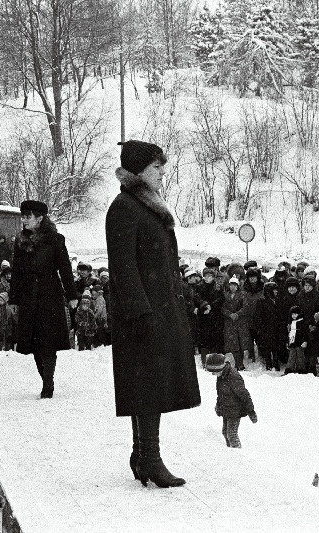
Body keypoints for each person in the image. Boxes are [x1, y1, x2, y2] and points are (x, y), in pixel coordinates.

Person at [106, 140, 200, 488]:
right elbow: (124, 268)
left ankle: (142, 454)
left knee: (148, 384)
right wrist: (141, 314)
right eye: (156, 167)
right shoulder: (124, 208)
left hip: (157, 309)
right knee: (148, 386)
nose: (162, 173)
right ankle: (150, 457)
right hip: (142, 315)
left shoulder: (146, 206)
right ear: (138, 171)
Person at [9, 199, 78, 399]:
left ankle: (48, 383)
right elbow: (17, 272)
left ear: (40, 218)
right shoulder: (21, 242)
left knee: (48, 342)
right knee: (34, 344)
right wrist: (13, 299)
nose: (24, 220)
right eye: (23, 216)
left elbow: (65, 268)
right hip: (28, 297)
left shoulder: (55, 240)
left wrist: (72, 295)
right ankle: (45, 378)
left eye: (28, 216)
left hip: (50, 296)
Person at [207, 352, 257, 448]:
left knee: (232, 435)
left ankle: (237, 452)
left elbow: (244, 395)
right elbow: (221, 394)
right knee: (225, 432)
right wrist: (218, 405)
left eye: (214, 371)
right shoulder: (221, 375)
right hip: (227, 409)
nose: (213, 374)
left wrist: (251, 411)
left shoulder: (233, 376)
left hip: (235, 410)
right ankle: (230, 452)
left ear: (219, 368)